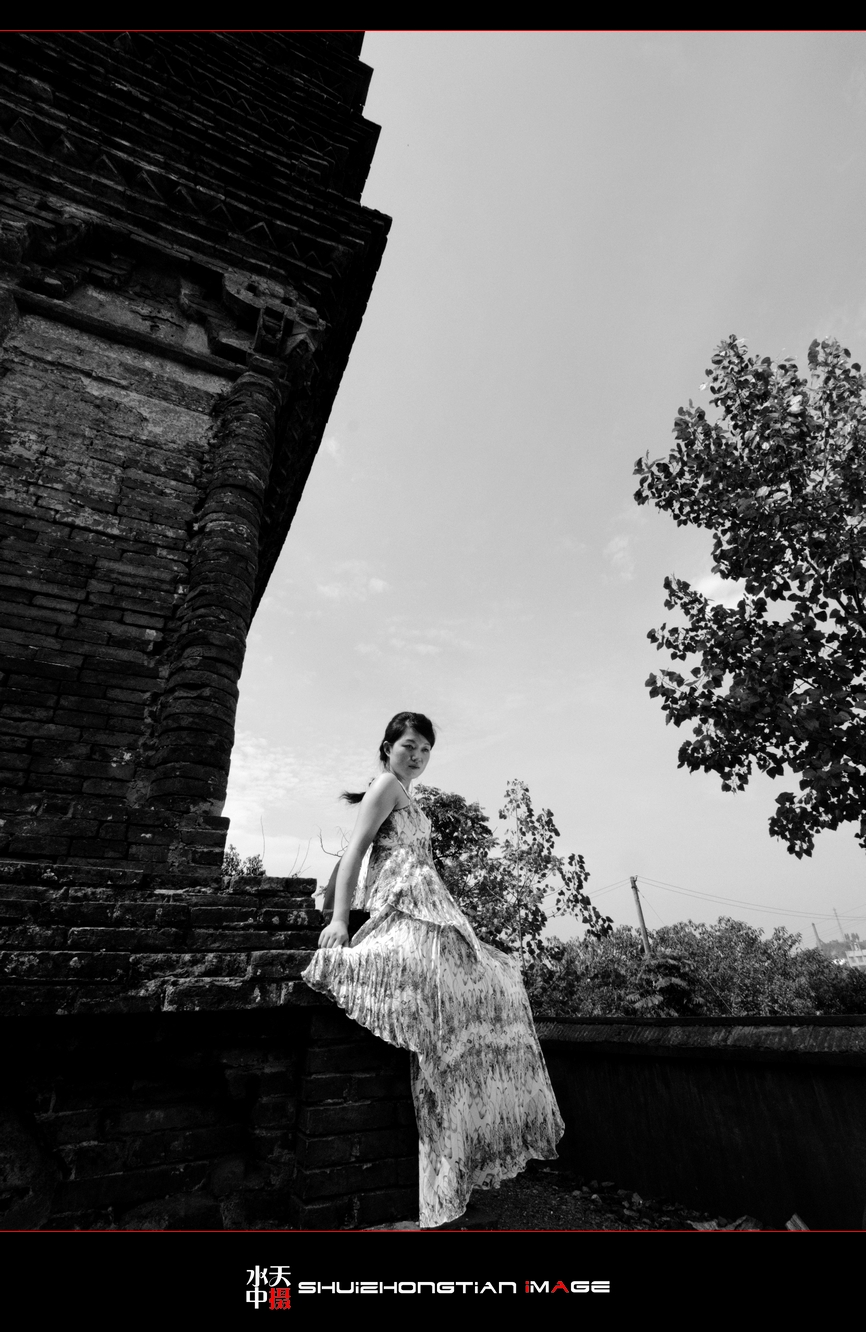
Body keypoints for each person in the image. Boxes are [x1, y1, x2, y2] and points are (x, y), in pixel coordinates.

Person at [301, 711, 564, 1229]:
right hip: (409, 909)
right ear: (388, 747)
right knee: (475, 995)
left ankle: (464, 1143)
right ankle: (447, 1156)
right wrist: (336, 917)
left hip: (433, 908)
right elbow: (354, 851)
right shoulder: (384, 785)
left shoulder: (405, 793)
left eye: (425, 750)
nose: (417, 756)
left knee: (498, 982)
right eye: (409, 746)